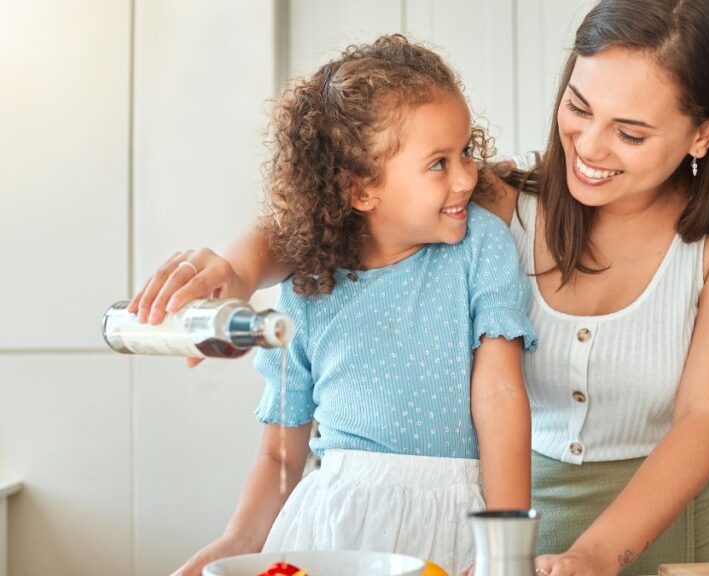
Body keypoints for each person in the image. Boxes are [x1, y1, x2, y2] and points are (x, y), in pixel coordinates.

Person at [133, 1, 709, 574]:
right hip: (517, 531)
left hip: (672, 530)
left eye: (630, 132)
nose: (588, 148)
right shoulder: (498, 200)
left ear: (705, 130)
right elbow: (340, 214)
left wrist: (599, 555)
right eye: (578, 106)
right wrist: (237, 269)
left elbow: (703, 422)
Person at [145, 35, 538, 576]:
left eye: (465, 151)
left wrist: (503, 552)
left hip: (452, 525)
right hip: (328, 534)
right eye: (438, 164)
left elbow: (499, 396)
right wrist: (236, 541)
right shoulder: (310, 286)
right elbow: (281, 456)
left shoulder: (481, 248)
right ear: (361, 190)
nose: (468, 177)